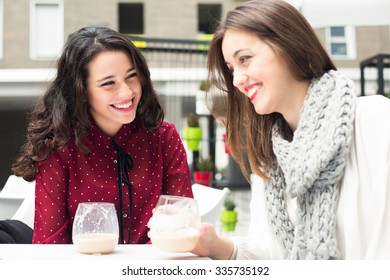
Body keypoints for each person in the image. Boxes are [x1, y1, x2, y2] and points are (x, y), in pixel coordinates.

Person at [190, 0, 390, 259]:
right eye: (231, 69)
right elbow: (269, 255)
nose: (237, 79)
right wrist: (216, 246)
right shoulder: (269, 158)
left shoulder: (371, 119)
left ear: (289, 45)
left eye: (245, 59)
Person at [12, 26, 193, 245]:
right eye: (109, 83)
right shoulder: (58, 145)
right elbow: (50, 243)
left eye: (132, 76)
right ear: (81, 91)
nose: (127, 92)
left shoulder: (165, 137)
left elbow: (182, 225)